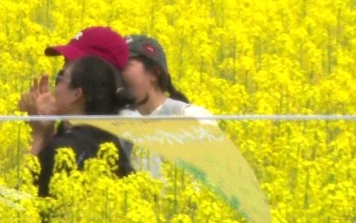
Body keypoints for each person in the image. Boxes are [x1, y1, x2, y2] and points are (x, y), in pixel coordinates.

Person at [27, 55, 135, 199]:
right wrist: (46, 130)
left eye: (60, 79)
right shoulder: (111, 143)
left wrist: (36, 134)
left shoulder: (62, 151)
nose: (54, 88)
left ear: (76, 94)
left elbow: (23, 200)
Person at [121, 35, 215, 180]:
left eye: (126, 65)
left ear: (154, 73)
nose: (119, 74)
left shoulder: (191, 117)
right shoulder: (117, 121)